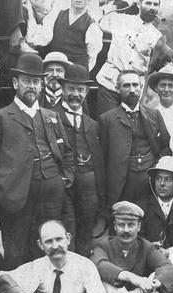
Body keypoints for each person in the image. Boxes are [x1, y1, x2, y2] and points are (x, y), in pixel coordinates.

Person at [0, 54, 75, 270]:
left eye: (35, 82)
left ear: (41, 85)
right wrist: (1, 188)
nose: (31, 86)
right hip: (16, 197)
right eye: (26, 81)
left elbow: (67, 152)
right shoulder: (0, 117)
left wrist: (64, 179)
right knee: (17, 252)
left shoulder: (51, 116)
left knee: (48, 249)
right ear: (15, 83)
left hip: (52, 194)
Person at [99, 70, 171, 210]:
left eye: (135, 85)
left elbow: (165, 145)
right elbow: (103, 157)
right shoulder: (107, 119)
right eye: (126, 86)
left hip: (149, 182)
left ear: (141, 87)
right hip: (122, 183)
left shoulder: (154, 114)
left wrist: (157, 167)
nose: (132, 90)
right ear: (117, 89)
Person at [53, 63, 105, 256]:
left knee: (85, 234)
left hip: (88, 188)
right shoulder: (50, 116)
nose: (76, 94)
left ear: (86, 92)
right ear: (63, 89)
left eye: (80, 90)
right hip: (63, 187)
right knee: (65, 232)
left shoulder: (92, 124)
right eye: (71, 89)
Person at [95, 0, 163, 115]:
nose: (152, 7)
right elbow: (100, 21)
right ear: (138, 4)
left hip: (132, 91)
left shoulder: (157, 36)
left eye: (155, 4)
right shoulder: (120, 20)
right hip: (109, 82)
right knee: (107, 122)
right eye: (148, 3)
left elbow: (154, 66)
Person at [26, 0, 103, 70]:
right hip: (56, 67)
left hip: (76, 72)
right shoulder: (56, 15)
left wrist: (80, 73)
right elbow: (42, 38)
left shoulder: (92, 26)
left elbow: (91, 57)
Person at [147, 63, 173, 156]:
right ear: (156, 88)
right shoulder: (150, 115)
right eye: (162, 85)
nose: (166, 89)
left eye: (171, 86)